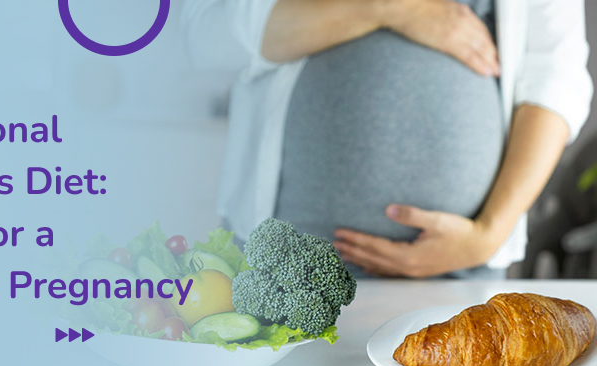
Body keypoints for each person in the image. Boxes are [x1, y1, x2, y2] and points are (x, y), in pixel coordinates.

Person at [182, 0, 593, 278]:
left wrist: (489, 233)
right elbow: (206, 36)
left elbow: (557, 72)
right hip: (284, 257)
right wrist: (385, 7)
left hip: (463, 262)